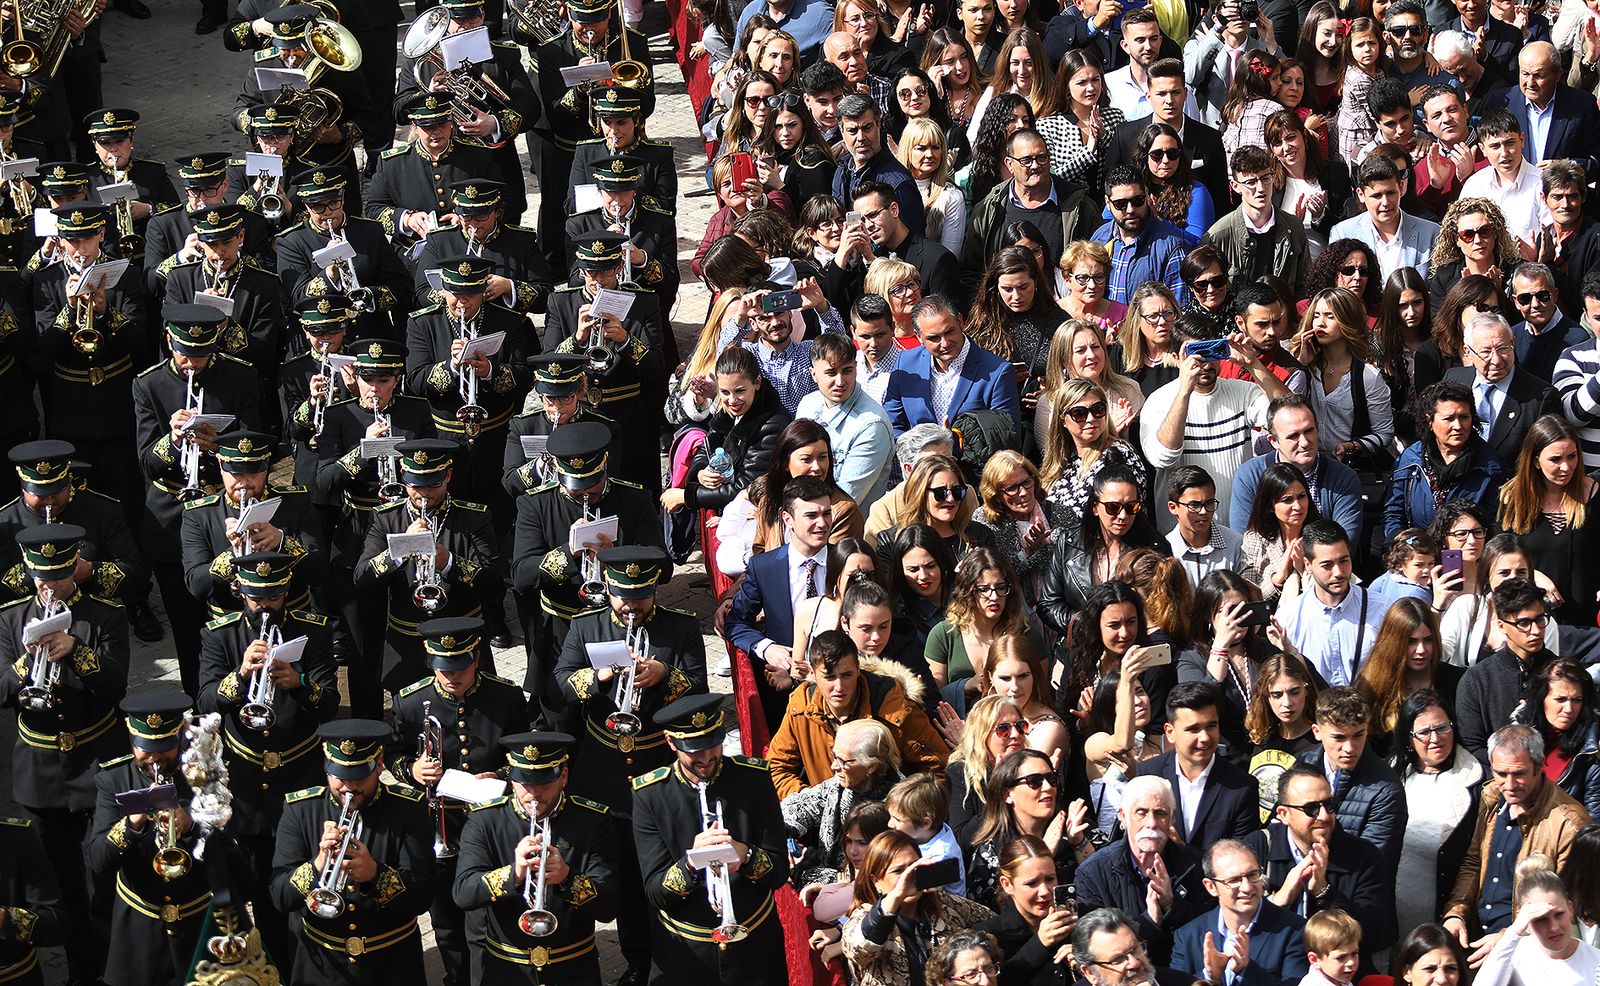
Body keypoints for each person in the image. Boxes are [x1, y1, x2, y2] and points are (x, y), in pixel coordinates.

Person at [633, 694, 791, 984]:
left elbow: (779, 871)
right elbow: (655, 892)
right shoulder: (650, 795)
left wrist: (745, 855)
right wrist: (691, 863)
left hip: (754, 948)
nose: (706, 758)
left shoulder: (754, 778)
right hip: (686, 954)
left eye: (712, 745)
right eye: (694, 751)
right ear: (671, 743)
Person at [269, 720, 434, 985]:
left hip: (391, 964)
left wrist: (375, 875)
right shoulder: (299, 810)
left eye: (359, 776)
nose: (348, 787)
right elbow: (279, 897)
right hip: (322, 965)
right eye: (339, 776)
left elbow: (423, 896)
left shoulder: (409, 810)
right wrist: (318, 865)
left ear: (379, 764)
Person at [451, 731, 621, 986]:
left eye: (544, 784)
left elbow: (608, 907)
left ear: (563, 777)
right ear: (512, 780)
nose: (533, 795)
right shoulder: (485, 820)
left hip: (572, 968)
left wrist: (567, 879)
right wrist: (514, 873)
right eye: (525, 784)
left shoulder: (592, 820)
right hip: (507, 968)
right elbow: (463, 893)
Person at [355, 439, 502, 699]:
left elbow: (494, 585)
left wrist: (448, 561)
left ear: (448, 476)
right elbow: (362, 578)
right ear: (403, 476)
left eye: (433, 484)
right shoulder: (385, 517)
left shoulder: (473, 518)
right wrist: (398, 550)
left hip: (461, 640)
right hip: (408, 643)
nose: (423, 494)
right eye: (415, 485)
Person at [87, 691, 212, 986]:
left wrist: (192, 826)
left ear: (181, 738)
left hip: (197, 922)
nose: (154, 758)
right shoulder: (113, 781)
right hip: (139, 927)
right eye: (145, 748)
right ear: (132, 741)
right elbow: (97, 860)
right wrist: (131, 824)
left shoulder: (204, 776)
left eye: (165, 748)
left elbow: (233, 858)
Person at [1443, 724, 1591, 953]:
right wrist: (1456, 913)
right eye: (1501, 774)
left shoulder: (1568, 823)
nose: (1509, 785)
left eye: (1519, 774)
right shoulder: (1492, 797)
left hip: (1530, 948)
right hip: (1478, 940)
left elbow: (1562, 902)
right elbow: (1474, 863)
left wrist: (1508, 936)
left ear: (1540, 766)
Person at [1240, 767, 1398, 965]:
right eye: (1311, 809)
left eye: (1329, 805)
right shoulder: (1256, 848)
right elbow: (1231, 921)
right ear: (1284, 814)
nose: (1323, 816)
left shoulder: (1363, 856)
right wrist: (1278, 901)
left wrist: (1325, 893)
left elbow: (1375, 934)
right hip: (1269, 971)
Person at [768, 629, 948, 798]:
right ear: (813, 674)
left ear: (858, 669)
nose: (839, 687)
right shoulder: (801, 706)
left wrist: (901, 808)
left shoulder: (895, 708)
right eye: (829, 677)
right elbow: (776, 768)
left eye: (847, 675)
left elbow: (938, 769)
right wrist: (814, 802)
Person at [1142, 325, 1284, 532]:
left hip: (1238, 532)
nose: (1205, 364)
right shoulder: (1159, 401)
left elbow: (1291, 415)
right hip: (1181, 538)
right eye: (1196, 355)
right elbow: (1163, 457)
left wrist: (1253, 364)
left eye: (1211, 351)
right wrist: (1184, 391)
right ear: (1176, 357)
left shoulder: (1241, 392)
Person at [727, 475, 840, 728]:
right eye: (811, 515)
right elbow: (735, 622)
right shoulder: (764, 567)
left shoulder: (846, 561)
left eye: (827, 514)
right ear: (787, 519)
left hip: (840, 688)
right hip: (784, 693)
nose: (822, 523)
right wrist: (766, 648)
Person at [1072, 775, 1210, 963]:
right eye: (1141, 812)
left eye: (1160, 813)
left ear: (1172, 819)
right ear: (1123, 815)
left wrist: (1172, 905)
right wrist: (1150, 921)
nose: (1151, 823)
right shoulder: (1093, 873)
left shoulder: (1197, 865)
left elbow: (1207, 932)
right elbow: (1095, 948)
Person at [841, 829, 995, 986]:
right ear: (876, 881)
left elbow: (994, 922)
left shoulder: (944, 904)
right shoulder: (864, 916)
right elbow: (859, 949)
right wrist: (896, 896)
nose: (909, 877)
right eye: (898, 871)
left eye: (914, 867)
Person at [1393, 689, 1487, 944]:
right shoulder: (1390, 777)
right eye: (1424, 732)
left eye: (1442, 728)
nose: (1435, 738)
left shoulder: (1480, 782)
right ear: (1408, 737)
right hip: (1394, 922)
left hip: (1450, 922)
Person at [1497, 416, 1600, 626]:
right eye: (1555, 459)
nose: (1566, 467)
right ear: (1536, 461)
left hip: (1586, 620)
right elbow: (1500, 557)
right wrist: (1531, 575)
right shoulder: (1513, 498)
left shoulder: (1593, 494)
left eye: (1572, 456)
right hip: (1531, 621)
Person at [1134, 682, 1261, 850]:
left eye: (1211, 726)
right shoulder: (1148, 774)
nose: (1205, 738)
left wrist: (1183, 852)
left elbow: (1240, 861)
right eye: (1193, 729)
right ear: (1170, 733)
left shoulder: (1242, 787)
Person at [1180, 571, 1290, 764]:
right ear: (1208, 614)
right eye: (1229, 611)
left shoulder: (1263, 649)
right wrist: (1220, 647)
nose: (1237, 618)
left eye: (1242, 609)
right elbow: (1202, 705)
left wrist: (1289, 652)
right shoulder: (1191, 658)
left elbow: (1308, 689)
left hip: (1271, 759)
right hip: (1224, 763)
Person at [965, 747, 1094, 910]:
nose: (1048, 787)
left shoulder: (1078, 827)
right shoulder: (990, 853)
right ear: (1007, 795)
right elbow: (999, 914)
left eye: (1051, 779)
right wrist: (1043, 855)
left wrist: (1079, 843)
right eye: (1034, 781)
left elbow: (1105, 887)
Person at [1230, 395, 1367, 548]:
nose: (1304, 442)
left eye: (1309, 431)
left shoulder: (1343, 477)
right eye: (1293, 436)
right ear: (1273, 441)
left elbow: (1344, 544)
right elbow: (1243, 542)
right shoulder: (1250, 475)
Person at [783, 717, 904, 888]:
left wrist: (805, 869)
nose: (834, 766)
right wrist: (784, 836)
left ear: (871, 767)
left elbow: (868, 881)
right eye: (834, 756)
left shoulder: (896, 811)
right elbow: (801, 806)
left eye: (843, 761)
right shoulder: (845, 782)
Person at [1296, 687, 1408, 870]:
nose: (1349, 747)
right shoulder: (1303, 765)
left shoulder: (1386, 789)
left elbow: (1372, 866)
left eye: (1358, 735)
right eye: (1339, 737)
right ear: (1316, 731)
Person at [1172, 840, 1310, 986]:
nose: (1247, 887)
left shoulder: (1295, 931)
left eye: (1252, 875)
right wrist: (1209, 977)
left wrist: (1246, 969)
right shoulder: (1187, 936)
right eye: (1234, 880)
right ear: (1211, 886)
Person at [1456, 579, 1561, 765]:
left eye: (1539, 619)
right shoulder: (1477, 680)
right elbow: (1471, 746)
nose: (1535, 630)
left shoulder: (1560, 673)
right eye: (1524, 623)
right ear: (1502, 625)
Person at [1385, 380, 1508, 538]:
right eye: (1449, 419)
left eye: (1464, 417)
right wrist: (1407, 546)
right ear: (1430, 421)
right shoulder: (1411, 460)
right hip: (1419, 556)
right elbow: (1393, 513)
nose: (1458, 426)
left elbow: (1498, 524)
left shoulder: (1490, 466)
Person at [924, 549, 1042, 705]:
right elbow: (934, 699)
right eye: (984, 590)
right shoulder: (943, 634)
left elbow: (1040, 696)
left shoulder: (1027, 635)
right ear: (967, 592)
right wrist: (965, 686)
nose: (994, 597)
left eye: (1001, 587)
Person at [1276, 520, 1383, 688]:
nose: (1338, 572)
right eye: (1327, 565)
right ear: (1308, 565)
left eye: (1344, 561)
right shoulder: (1288, 618)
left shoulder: (1381, 609)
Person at [1443, 312, 1559, 466]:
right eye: (1486, 352)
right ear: (1467, 352)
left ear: (1513, 342)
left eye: (1503, 348)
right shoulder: (1453, 380)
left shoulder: (1541, 397)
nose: (1496, 360)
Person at [969, 834, 1078, 984]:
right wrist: (1040, 944)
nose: (1045, 891)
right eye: (1032, 883)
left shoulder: (1077, 920)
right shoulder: (988, 936)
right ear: (1007, 884)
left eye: (1050, 879)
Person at [1474, 858, 1600, 986]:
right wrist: (1513, 932)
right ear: (1524, 920)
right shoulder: (1512, 954)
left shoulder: (1596, 960)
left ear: (1570, 909)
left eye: (1559, 914)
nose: (1554, 927)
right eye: (1541, 919)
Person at [1040, 378, 1147, 526]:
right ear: (1063, 420)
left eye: (1098, 409)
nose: (1091, 419)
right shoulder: (1060, 460)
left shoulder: (1119, 456)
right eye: (1079, 413)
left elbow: (1130, 517)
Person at [1357, 598, 1463, 746]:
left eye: (1428, 640)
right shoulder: (1372, 687)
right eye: (1411, 642)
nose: (1421, 650)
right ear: (1393, 642)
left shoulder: (1458, 681)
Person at [1207, 146, 1309, 292]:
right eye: (1251, 182)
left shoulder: (1293, 227)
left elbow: (1303, 286)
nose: (1261, 188)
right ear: (1235, 186)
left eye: (1265, 178)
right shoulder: (1218, 236)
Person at [972, 452, 1064, 611]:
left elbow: (1070, 570)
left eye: (1027, 482)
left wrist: (1044, 549)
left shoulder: (1059, 513)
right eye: (1012, 488)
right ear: (996, 494)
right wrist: (1027, 553)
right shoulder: (985, 522)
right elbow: (996, 579)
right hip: (1009, 615)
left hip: (1058, 610)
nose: (1023, 492)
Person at [1488, 42, 1600, 171]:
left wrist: (1564, 167)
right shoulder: (1500, 102)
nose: (1530, 83)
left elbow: (1596, 161)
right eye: (1525, 74)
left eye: (1538, 75)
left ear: (1558, 74)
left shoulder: (1582, 106)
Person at [1331, 157, 1441, 282]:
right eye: (1377, 196)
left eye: (1391, 193)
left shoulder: (1432, 233)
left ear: (1401, 188)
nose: (1385, 202)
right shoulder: (1343, 233)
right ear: (1361, 195)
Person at [1094, 165, 1192, 306]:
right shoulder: (1099, 238)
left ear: (1146, 194)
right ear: (1107, 203)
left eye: (1137, 201)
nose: (1130, 210)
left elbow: (1178, 312)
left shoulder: (1172, 248)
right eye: (1120, 204)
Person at [1521, 660, 1600, 819]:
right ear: (1542, 698)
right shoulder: (1519, 736)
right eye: (1560, 699)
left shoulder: (1592, 751)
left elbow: (1594, 821)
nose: (1569, 709)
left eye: (1577, 700)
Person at [946, 695, 1034, 836]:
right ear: (982, 734)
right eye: (1003, 729)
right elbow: (961, 839)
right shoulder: (960, 773)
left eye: (1020, 725)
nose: (1015, 734)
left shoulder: (1035, 767)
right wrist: (998, 791)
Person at [1508, 264, 1587, 386]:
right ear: (1516, 302)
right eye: (1525, 298)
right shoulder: (1512, 336)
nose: (1535, 304)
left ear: (1555, 295)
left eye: (1542, 296)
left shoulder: (1578, 340)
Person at [1165, 466, 1245, 583]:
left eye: (1209, 503)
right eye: (1194, 505)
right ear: (1173, 507)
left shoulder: (1236, 545)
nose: (1203, 511)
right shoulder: (1165, 551)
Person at [1299, 909, 1363, 986]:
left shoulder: (1340, 981)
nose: (1351, 962)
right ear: (1315, 959)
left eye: (1354, 953)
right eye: (1340, 957)